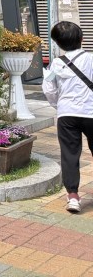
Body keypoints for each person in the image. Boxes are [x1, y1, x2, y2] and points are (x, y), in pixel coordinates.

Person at [42, 21, 93, 214]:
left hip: (67, 115)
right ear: (82, 39)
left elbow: (48, 89)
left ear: (57, 43)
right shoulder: (91, 59)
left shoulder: (55, 64)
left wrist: (59, 105)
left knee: (70, 154)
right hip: (91, 112)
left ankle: (73, 197)